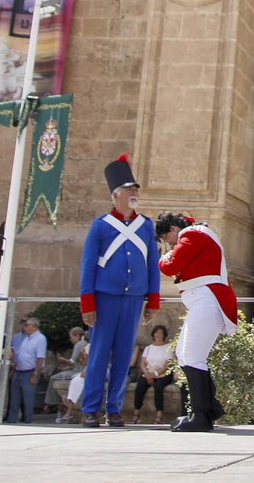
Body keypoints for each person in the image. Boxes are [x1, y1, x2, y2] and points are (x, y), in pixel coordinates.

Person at [79, 153, 162, 427]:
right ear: (116, 195)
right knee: (99, 354)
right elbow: (89, 265)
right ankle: (91, 408)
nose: (134, 192)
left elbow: (152, 263)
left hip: (133, 297)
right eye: (129, 189)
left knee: (124, 356)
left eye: (136, 188)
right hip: (104, 298)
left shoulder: (146, 225)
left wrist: (153, 299)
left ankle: (113, 409)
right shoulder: (101, 225)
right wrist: (87, 303)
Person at [156, 211, 240, 432]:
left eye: (167, 239)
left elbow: (170, 265)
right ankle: (207, 409)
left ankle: (200, 415)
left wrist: (163, 257)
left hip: (207, 299)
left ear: (173, 229)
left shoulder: (192, 234)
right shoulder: (194, 235)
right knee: (185, 355)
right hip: (203, 300)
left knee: (193, 357)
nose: (169, 244)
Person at [5, 316, 47, 423]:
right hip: (18, 371)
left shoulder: (40, 339)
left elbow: (40, 358)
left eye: (26, 325)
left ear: (33, 326)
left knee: (27, 400)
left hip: (29, 372)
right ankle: (11, 421)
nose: (24, 328)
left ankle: (27, 421)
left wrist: (35, 374)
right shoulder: (26, 338)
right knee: (14, 399)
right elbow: (20, 355)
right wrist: (13, 371)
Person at [133, 325, 176, 423]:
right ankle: (136, 414)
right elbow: (143, 364)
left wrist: (156, 374)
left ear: (164, 335)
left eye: (160, 333)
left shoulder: (168, 348)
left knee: (159, 386)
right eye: (156, 332)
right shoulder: (148, 348)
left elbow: (167, 365)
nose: (158, 335)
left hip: (163, 374)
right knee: (140, 386)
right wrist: (148, 375)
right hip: (148, 373)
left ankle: (159, 415)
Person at [44, 326, 89, 422]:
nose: (70, 339)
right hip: (78, 370)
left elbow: (73, 362)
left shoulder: (79, 345)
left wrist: (62, 359)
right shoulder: (84, 344)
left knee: (53, 378)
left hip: (77, 372)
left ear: (76, 336)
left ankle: (51, 403)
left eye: (71, 337)